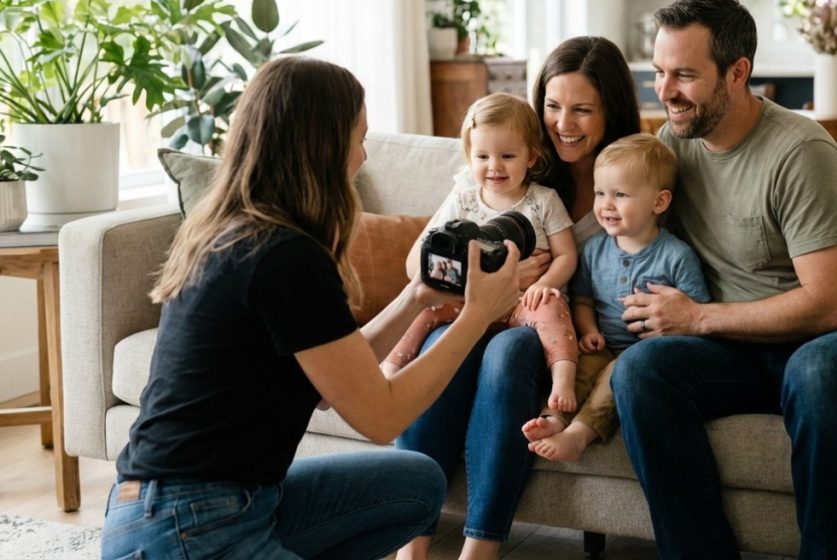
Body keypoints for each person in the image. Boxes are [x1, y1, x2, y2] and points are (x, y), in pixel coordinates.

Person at [100, 56, 521, 560]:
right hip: (186, 525)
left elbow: (330, 386)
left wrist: (416, 298)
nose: (363, 156)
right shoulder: (282, 256)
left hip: (205, 505)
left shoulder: (242, 233)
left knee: (416, 483)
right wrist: (476, 316)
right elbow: (381, 416)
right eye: (359, 138)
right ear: (323, 145)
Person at [612, 0, 837, 560]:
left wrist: (698, 318)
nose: (665, 91)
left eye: (684, 75)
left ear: (737, 73)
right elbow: (626, 231)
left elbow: (832, 307)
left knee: (815, 368)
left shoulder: (799, 152)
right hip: (743, 352)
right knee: (642, 371)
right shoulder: (674, 146)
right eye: (658, 72)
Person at [393, 36, 640, 560]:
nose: (563, 123)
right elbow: (421, 262)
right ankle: (409, 543)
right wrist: (488, 276)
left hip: (550, 332)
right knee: (440, 343)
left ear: (611, 110)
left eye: (582, 109)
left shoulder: (629, 185)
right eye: (553, 106)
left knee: (507, 353)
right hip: (477, 308)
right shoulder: (503, 169)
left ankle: (480, 547)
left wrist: (544, 284)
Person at [383, 92, 579, 412]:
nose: (494, 166)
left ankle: (563, 379)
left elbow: (566, 255)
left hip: (525, 302)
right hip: (470, 301)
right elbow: (425, 261)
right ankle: (391, 367)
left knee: (552, 306)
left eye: (507, 156)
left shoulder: (543, 200)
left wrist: (545, 284)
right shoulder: (464, 201)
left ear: (531, 156)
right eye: (483, 156)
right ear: (469, 157)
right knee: (425, 305)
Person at [522, 133, 709, 462]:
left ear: (659, 202)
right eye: (600, 193)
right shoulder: (594, 249)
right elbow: (583, 300)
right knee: (579, 370)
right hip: (603, 345)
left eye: (620, 194)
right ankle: (555, 418)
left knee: (612, 379)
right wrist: (590, 331)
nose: (606, 205)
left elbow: (696, 314)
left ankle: (579, 435)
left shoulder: (676, 256)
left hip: (645, 355)